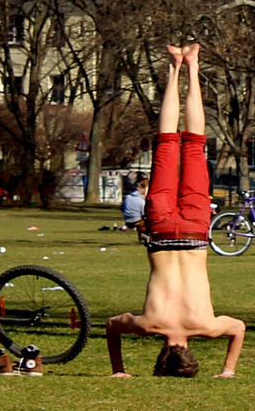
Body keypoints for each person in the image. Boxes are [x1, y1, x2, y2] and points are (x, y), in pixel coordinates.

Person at [104, 43, 246, 379]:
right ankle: (173, 66)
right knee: (167, 142)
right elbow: (112, 326)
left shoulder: (207, 326)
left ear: (190, 356)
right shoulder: (147, 325)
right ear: (161, 357)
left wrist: (228, 370)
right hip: (162, 227)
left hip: (196, 230)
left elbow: (238, 328)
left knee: (194, 144)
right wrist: (118, 370)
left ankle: (192, 65)